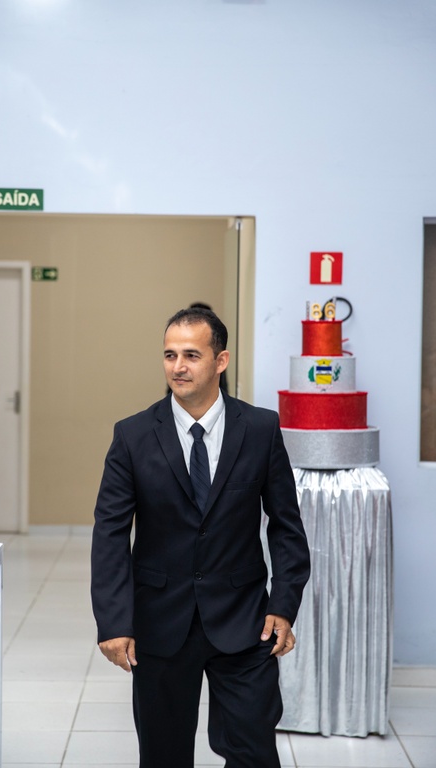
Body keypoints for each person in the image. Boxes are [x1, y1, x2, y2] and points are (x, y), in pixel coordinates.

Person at [91, 307, 311, 768]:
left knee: (253, 752)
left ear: (220, 360)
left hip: (245, 620)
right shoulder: (132, 436)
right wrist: (113, 622)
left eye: (191, 355)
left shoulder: (260, 429)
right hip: (160, 623)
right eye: (169, 355)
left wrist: (284, 604)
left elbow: (286, 525)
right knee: (164, 755)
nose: (178, 366)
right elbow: (110, 534)